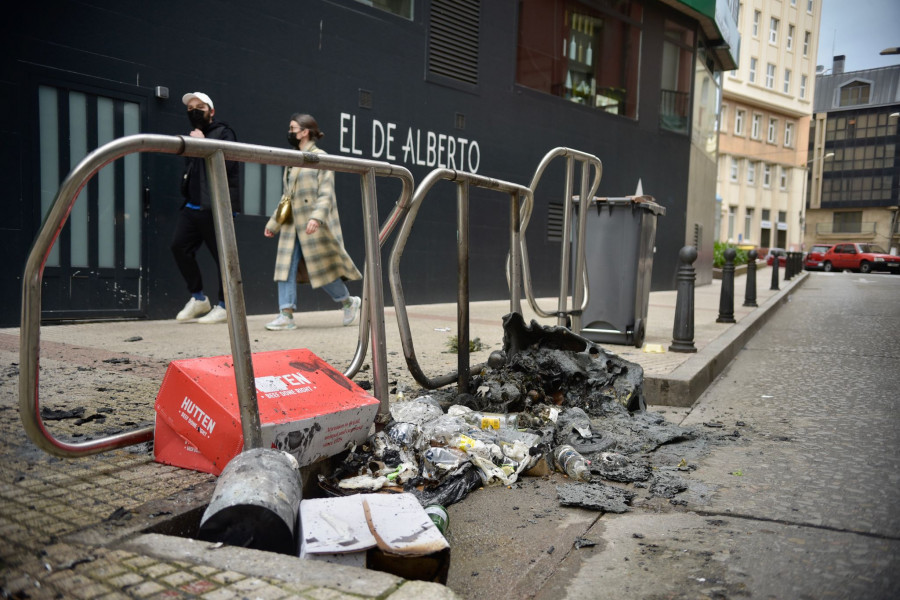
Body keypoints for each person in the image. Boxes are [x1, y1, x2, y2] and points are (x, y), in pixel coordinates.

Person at [263, 113, 361, 330]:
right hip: (291, 225)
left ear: (304, 131)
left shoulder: (320, 157)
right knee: (285, 267)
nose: (289, 132)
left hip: (311, 224)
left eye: (292, 128)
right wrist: (274, 224)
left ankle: (348, 302)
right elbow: (286, 196)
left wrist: (316, 218)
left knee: (323, 270)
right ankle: (286, 315)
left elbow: (326, 193)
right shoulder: (293, 159)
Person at [171, 91, 241, 324]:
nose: (194, 111)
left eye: (199, 106)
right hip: (192, 206)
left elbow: (229, 163)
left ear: (211, 111)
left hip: (216, 206)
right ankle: (199, 298)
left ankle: (224, 305)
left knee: (223, 257)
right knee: (179, 247)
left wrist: (203, 145)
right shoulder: (194, 135)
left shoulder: (224, 132)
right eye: (190, 108)